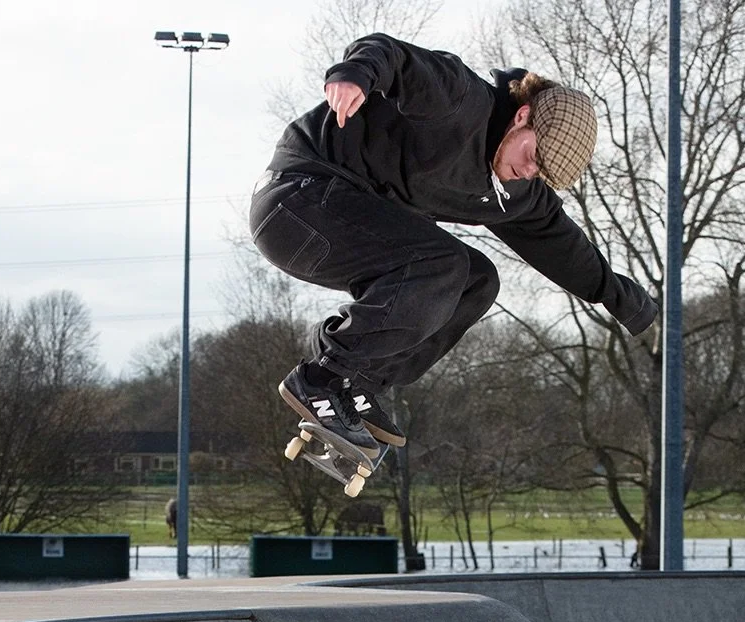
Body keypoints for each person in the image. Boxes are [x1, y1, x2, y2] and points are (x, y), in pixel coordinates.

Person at [250, 34, 658, 456]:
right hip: (295, 201)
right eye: (534, 156)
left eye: (541, 173)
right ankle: (323, 378)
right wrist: (355, 74)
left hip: (342, 222)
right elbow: (395, 57)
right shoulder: (461, 103)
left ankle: (359, 383)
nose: (528, 171)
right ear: (522, 116)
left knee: (477, 281)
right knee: (441, 263)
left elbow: (561, 244)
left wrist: (624, 299)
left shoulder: (517, 194)